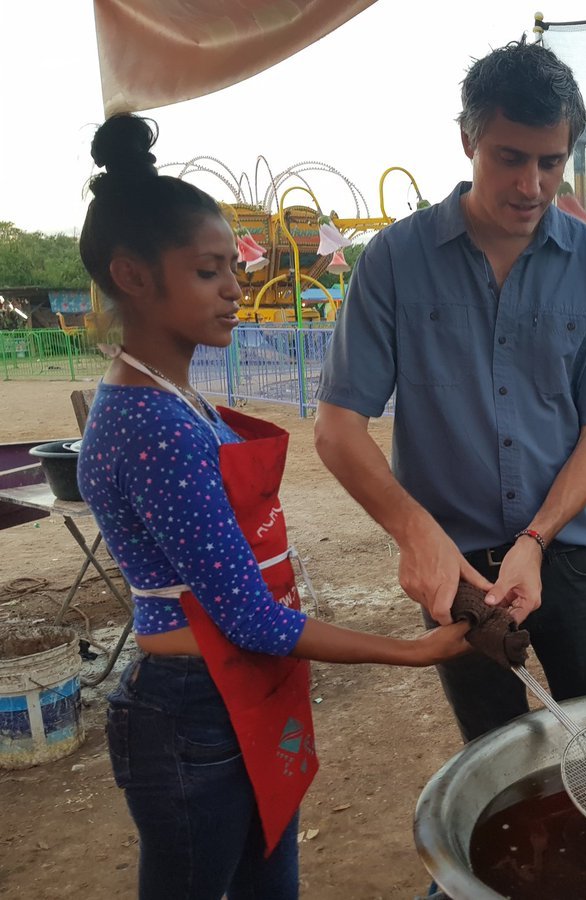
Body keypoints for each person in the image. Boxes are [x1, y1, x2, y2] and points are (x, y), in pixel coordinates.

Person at [75, 115, 471, 899]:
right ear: (133, 276)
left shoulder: (179, 401)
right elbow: (251, 621)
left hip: (235, 693)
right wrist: (411, 653)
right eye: (207, 272)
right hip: (194, 712)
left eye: (233, 267)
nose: (234, 289)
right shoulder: (150, 425)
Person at [313, 39, 586, 744]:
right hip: (456, 568)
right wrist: (417, 536)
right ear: (468, 139)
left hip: (575, 557)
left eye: (550, 162)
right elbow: (338, 427)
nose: (531, 185)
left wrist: (536, 536)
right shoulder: (393, 263)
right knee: (496, 761)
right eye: (509, 157)